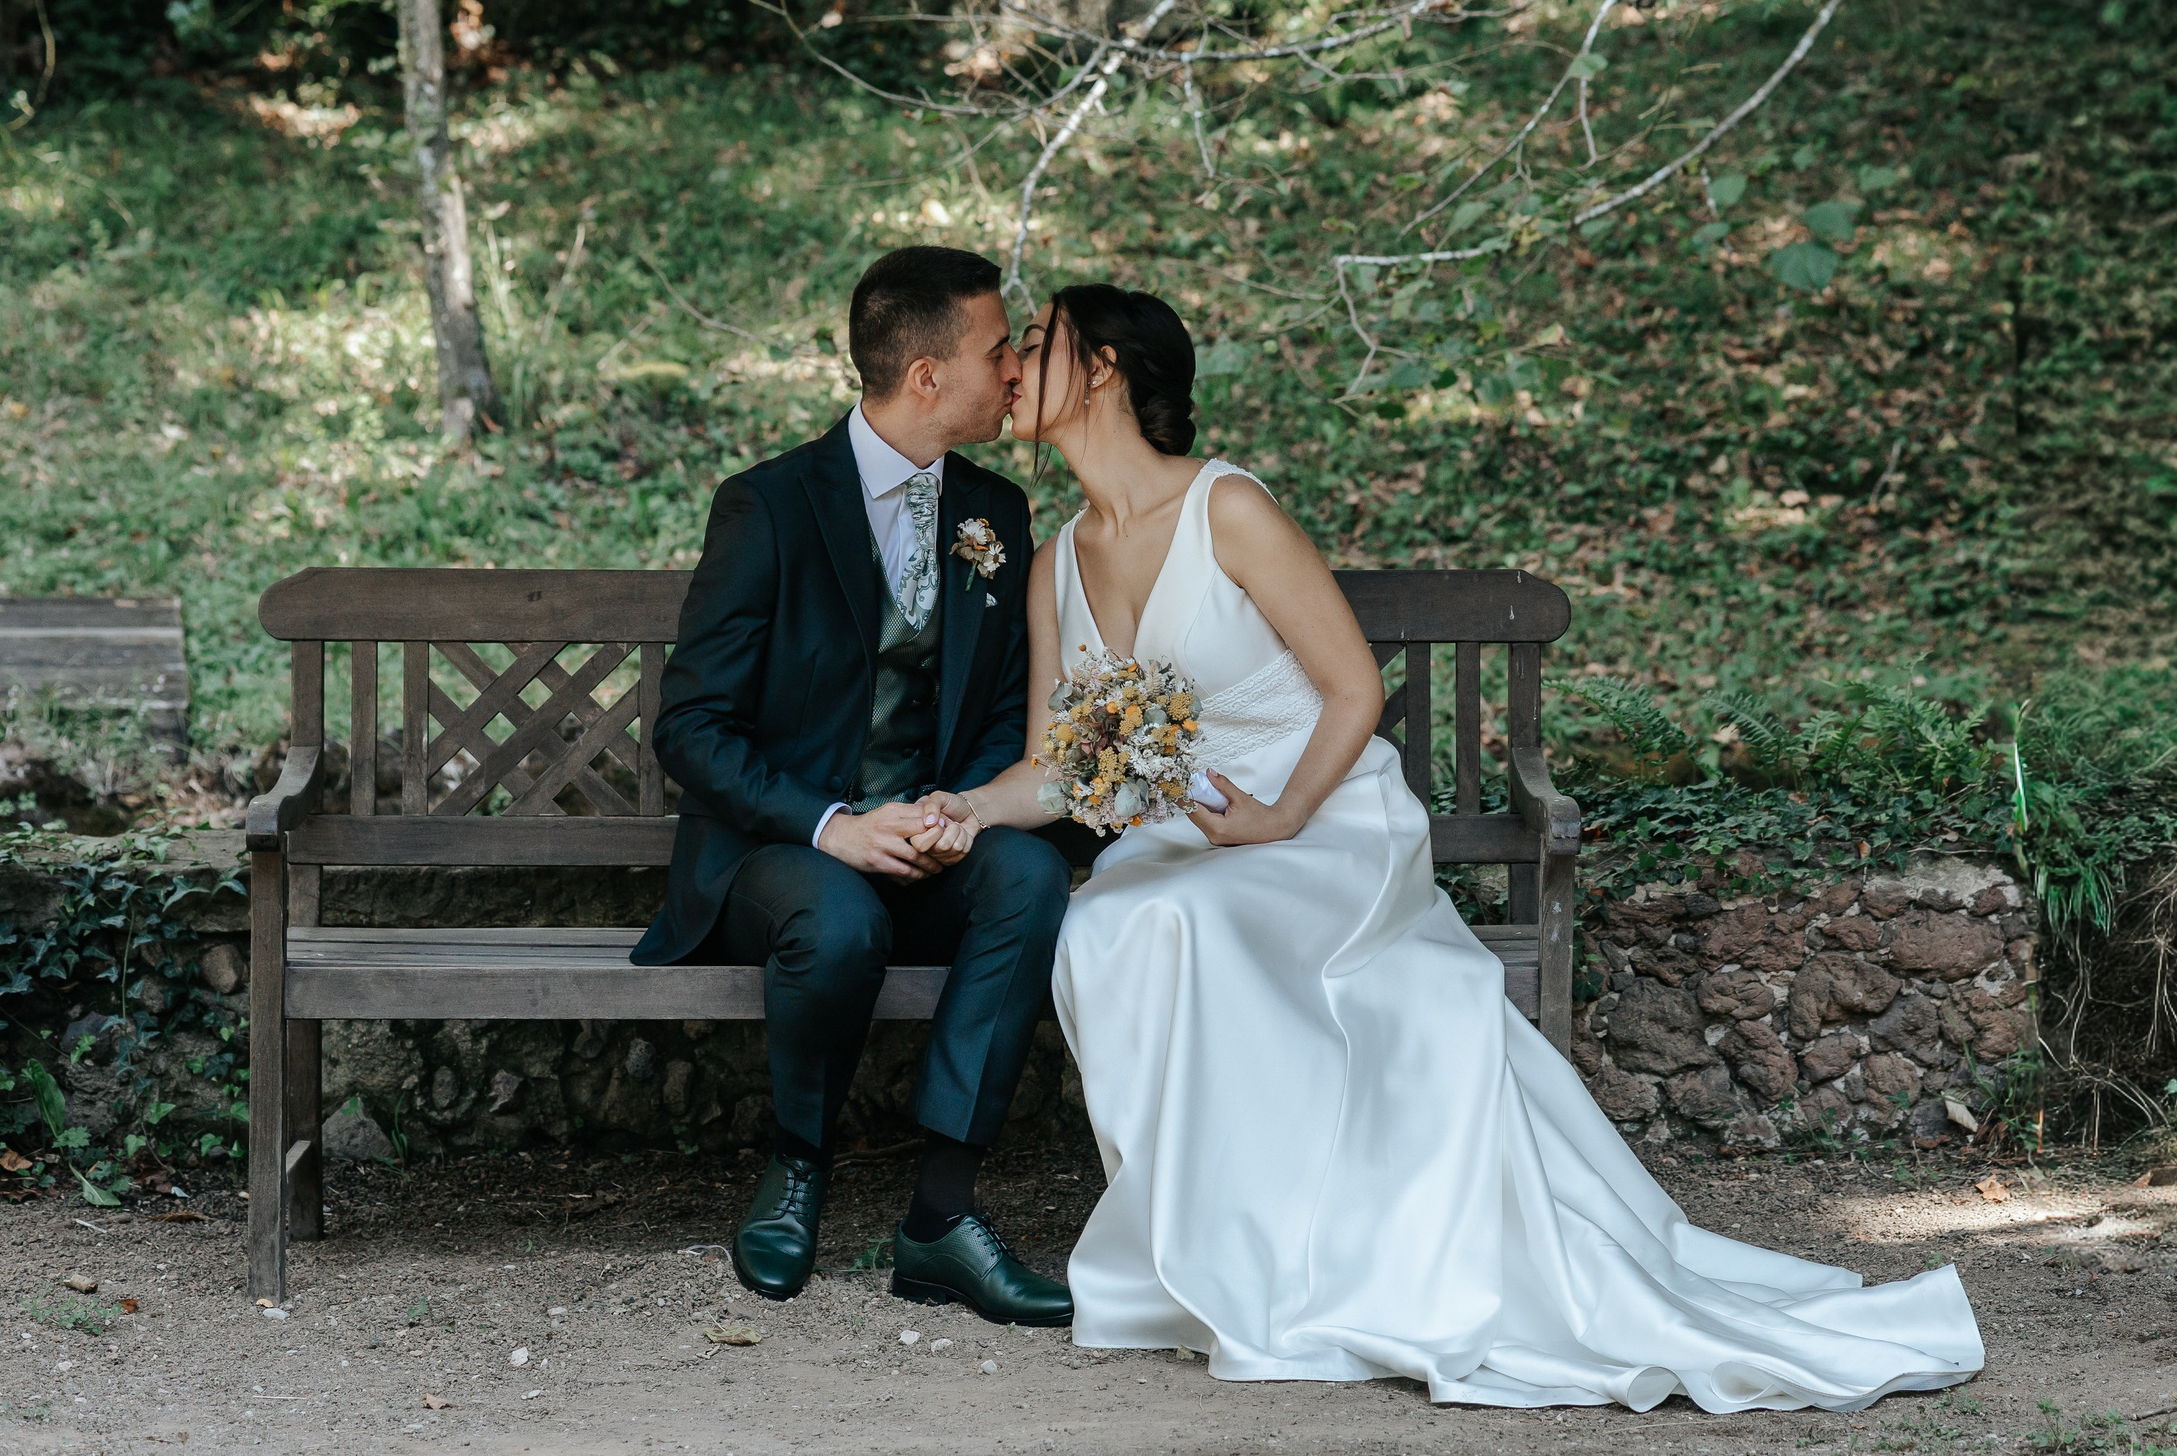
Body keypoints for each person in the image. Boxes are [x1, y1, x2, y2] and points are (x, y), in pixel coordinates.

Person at [924, 283, 1986, 1411]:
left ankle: (1292, 1258)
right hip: (1189, 839)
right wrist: (965, 810)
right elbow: (1059, 759)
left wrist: (1279, 817)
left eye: (1033, 343)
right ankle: (1235, 1246)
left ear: (1100, 367)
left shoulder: (1225, 509)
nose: (1013, 364)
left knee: (1173, 917)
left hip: (1321, 823)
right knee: (1113, 920)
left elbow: (1350, 687)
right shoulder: (1053, 564)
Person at [629, 245, 1071, 1326]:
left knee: (1027, 873)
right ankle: (795, 1166)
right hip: (782, 851)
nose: (1015, 366)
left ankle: (941, 1216)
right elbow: (688, 725)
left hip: (923, 842)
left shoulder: (994, 514)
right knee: (833, 921)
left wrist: (949, 814)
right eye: (997, 346)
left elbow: (1002, 700)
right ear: (926, 375)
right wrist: (833, 826)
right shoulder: (769, 506)